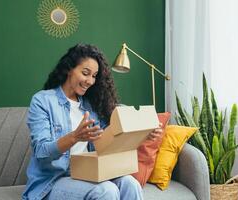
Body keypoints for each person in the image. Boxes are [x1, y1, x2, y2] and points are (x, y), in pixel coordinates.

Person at [22, 44, 162, 200]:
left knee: (130, 183)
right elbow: (41, 152)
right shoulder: (43, 101)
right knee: (105, 190)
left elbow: (108, 142)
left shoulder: (90, 106)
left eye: (94, 76)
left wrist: (142, 134)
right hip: (52, 182)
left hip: (87, 173)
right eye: (85, 73)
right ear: (69, 69)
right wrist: (74, 137)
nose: (90, 81)